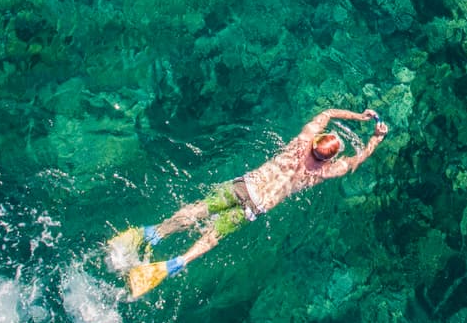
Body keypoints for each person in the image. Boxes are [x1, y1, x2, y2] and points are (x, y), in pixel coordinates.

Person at [109, 108, 389, 298]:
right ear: (329, 158)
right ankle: (176, 263)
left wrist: (359, 116)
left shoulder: (301, 142)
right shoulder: (323, 172)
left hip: (243, 187)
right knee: (213, 235)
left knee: (198, 210)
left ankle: (152, 234)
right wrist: (376, 139)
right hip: (255, 207)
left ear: (315, 141)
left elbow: (327, 113)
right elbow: (356, 160)